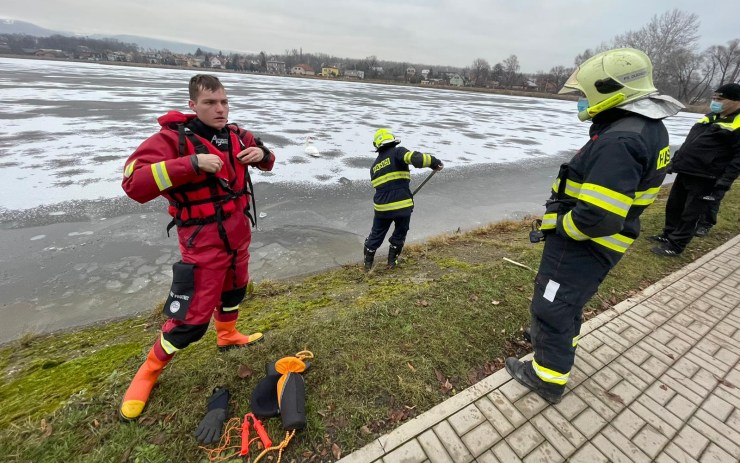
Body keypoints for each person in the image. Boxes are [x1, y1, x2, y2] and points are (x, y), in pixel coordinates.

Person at [505, 48, 683, 403]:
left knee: (552, 305)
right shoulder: (646, 126)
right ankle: (550, 342)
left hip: (584, 244)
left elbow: (596, 217)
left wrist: (561, 230)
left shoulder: (622, 140)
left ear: (610, 91)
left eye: (586, 95)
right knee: (566, 303)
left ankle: (547, 378)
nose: (582, 102)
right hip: (604, 242)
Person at [119, 74, 275, 421]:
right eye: (210, 103)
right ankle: (148, 372)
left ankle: (228, 334)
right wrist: (189, 164)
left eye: (223, 102)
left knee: (235, 291)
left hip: (238, 232)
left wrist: (261, 153)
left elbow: (269, 160)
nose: (219, 109)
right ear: (193, 105)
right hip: (201, 239)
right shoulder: (171, 140)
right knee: (190, 319)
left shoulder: (236, 135)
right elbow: (133, 183)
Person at [650, 83, 740, 254]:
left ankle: (676, 246)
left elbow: (738, 159)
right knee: (674, 206)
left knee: (691, 213)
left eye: (720, 99)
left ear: (736, 102)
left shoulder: (737, 123)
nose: (715, 102)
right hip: (687, 169)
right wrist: (676, 161)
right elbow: (691, 142)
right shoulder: (711, 116)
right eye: (714, 98)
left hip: (707, 175)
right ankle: (668, 234)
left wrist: (724, 182)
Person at [363, 129, 443, 271]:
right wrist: (435, 163)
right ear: (393, 140)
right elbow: (417, 159)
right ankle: (392, 262)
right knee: (400, 233)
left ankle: (367, 264)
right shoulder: (398, 152)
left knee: (376, 234)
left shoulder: (374, 167)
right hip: (402, 206)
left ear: (377, 145)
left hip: (382, 208)